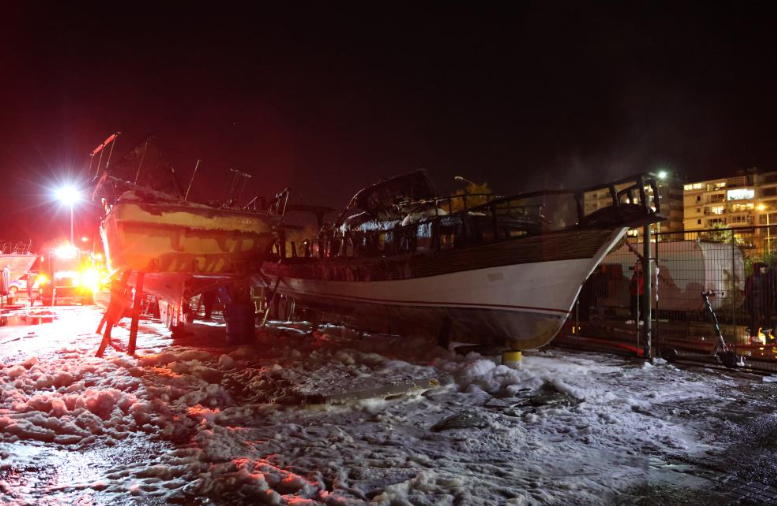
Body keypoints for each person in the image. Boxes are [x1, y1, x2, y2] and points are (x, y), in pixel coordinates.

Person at [745, 262, 776, 341]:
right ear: (758, 268)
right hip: (754, 302)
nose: (764, 269)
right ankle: (754, 336)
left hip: (760, 302)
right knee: (757, 318)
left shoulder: (761, 278)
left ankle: (755, 335)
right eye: (762, 267)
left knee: (757, 318)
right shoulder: (752, 278)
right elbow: (748, 291)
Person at [626, 260, 644, 325]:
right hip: (634, 293)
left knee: (642, 306)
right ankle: (633, 319)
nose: (635, 266)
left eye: (637, 265)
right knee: (632, 306)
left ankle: (642, 320)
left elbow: (641, 283)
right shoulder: (635, 274)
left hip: (641, 293)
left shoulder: (642, 274)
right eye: (635, 265)